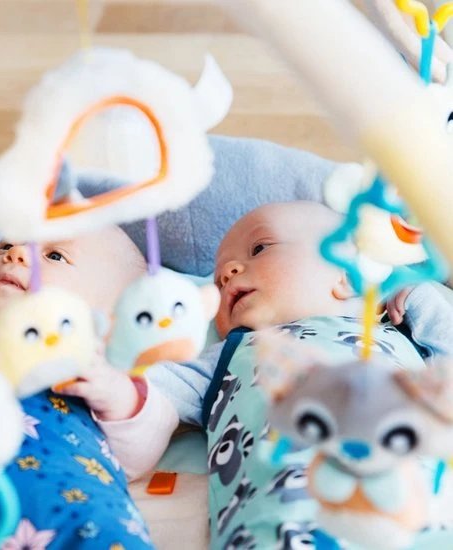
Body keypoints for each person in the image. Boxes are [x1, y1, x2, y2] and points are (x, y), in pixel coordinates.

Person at [145, 201, 453, 549]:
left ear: (348, 274)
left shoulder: (399, 334)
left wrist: (419, 296)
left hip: (416, 514)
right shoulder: (225, 356)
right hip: (283, 520)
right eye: (217, 282)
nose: (227, 273)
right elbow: (148, 388)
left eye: (259, 248)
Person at [0, 226, 179, 550]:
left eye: (55, 256)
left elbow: (144, 448)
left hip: (67, 505)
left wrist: (117, 394)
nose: (16, 253)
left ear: (110, 318)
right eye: (5, 245)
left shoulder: (94, 363)